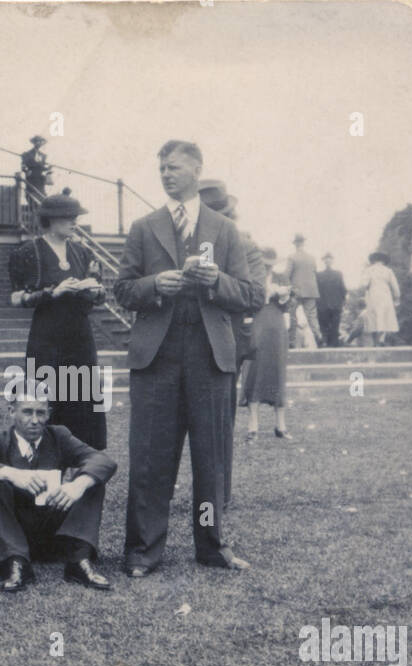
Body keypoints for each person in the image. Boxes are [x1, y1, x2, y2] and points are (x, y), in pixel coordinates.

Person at [113, 140, 254, 576]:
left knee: (210, 460)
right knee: (151, 457)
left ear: (197, 168)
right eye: (161, 167)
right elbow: (120, 289)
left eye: (173, 167)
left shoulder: (225, 230)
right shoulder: (143, 227)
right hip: (156, 357)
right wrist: (155, 285)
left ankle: (210, 546)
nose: (165, 173)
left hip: (209, 357)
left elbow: (251, 294)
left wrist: (216, 282)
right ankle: (143, 551)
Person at [0, 387, 117, 592]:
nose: (34, 420)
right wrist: (12, 474)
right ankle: (15, 562)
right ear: (11, 412)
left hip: (54, 531)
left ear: (48, 413)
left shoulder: (59, 436)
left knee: (92, 480)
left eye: (40, 413)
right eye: (27, 412)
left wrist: (78, 485)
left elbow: (102, 460)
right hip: (12, 530)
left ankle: (78, 561)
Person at [7, 194, 107, 449]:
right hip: (47, 337)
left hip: (79, 335)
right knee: (47, 394)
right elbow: (17, 298)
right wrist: (53, 292)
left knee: (82, 395)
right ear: (51, 220)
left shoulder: (82, 251)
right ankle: (46, 460)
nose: (75, 222)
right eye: (69, 218)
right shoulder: (29, 252)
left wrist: (94, 291)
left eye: (76, 217)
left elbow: (100, 293)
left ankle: (82, 458)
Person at [197, 179, 266, 509]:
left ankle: (217, 495)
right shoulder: (182, 241)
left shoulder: (243, 244)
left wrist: (215, 283)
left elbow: (255, 295)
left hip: (224, 341)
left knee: (219, 421)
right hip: (181, 340)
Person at [243, 246, 295, 440]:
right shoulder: (251, 278)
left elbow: (286, 305)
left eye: (270, 264)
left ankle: (280, 426)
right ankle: (253, 426)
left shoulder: (282, 278)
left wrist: (282, 295)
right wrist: (266, 293)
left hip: (276, 326)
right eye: (264, 264)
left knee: (277, 369)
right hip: (257, 324)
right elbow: (246, 302)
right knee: (254, 369)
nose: (267, 267)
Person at [285, 234, 320, 347]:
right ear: (303, 243)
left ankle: (292, 340)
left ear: (295, 244)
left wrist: (288, 286)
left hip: (296, 291)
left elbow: (286, 275)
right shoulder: (312, 258)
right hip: (311, 290)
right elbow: (314, 272)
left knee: (293, 315)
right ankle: (317, 335)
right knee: (311, 316)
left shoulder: (292, 257)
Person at [360, 252, 400, 346]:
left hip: (373, 295)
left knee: (374, 317)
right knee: (384, 317)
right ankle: (381, 339)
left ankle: (376, 342)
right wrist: (397, 298)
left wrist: (366, 288)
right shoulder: (388, 270)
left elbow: (364, 284)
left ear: (373, 260)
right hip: (385, 296)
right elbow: (395, 287)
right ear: (383, 261)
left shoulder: (369, 270)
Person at [315, 252, 347, 348]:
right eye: (326, 258)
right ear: (323, 261)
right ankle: (325, 344)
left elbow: (343, 290)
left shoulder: (338, 274)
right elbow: (316, 290)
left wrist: (342, 303)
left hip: (335, 306)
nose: (328, 260)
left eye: (329, 258)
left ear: (332, 260)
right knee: (324, 327)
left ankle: (334, 346)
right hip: (322, 306)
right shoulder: (318, 275)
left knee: (335, 328)